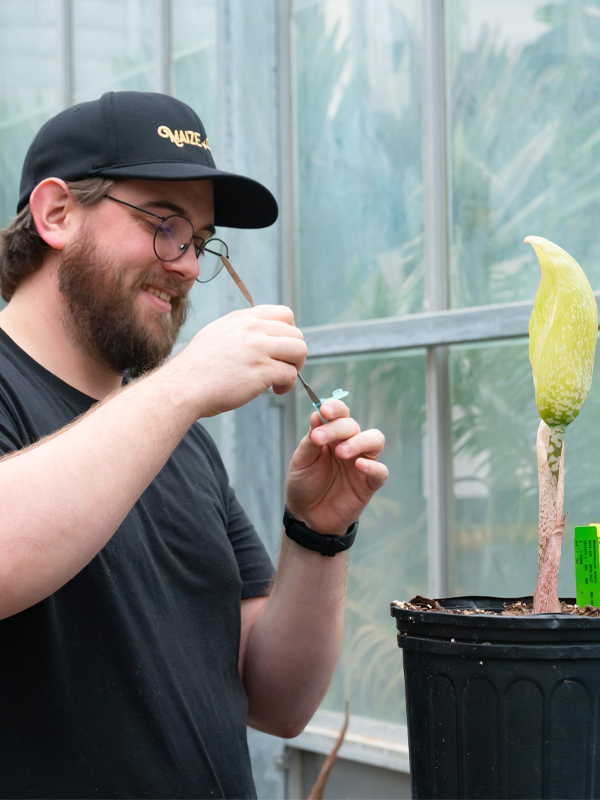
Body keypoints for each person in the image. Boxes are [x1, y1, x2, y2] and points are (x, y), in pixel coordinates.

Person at [0, 91, 388, 799]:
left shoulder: (181, 445)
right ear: (56, 214)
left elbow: (277, 703)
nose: (185, 265)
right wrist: (183, 387)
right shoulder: (158, 406)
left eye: (200, 240)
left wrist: (317, 535)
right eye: (164, 224)